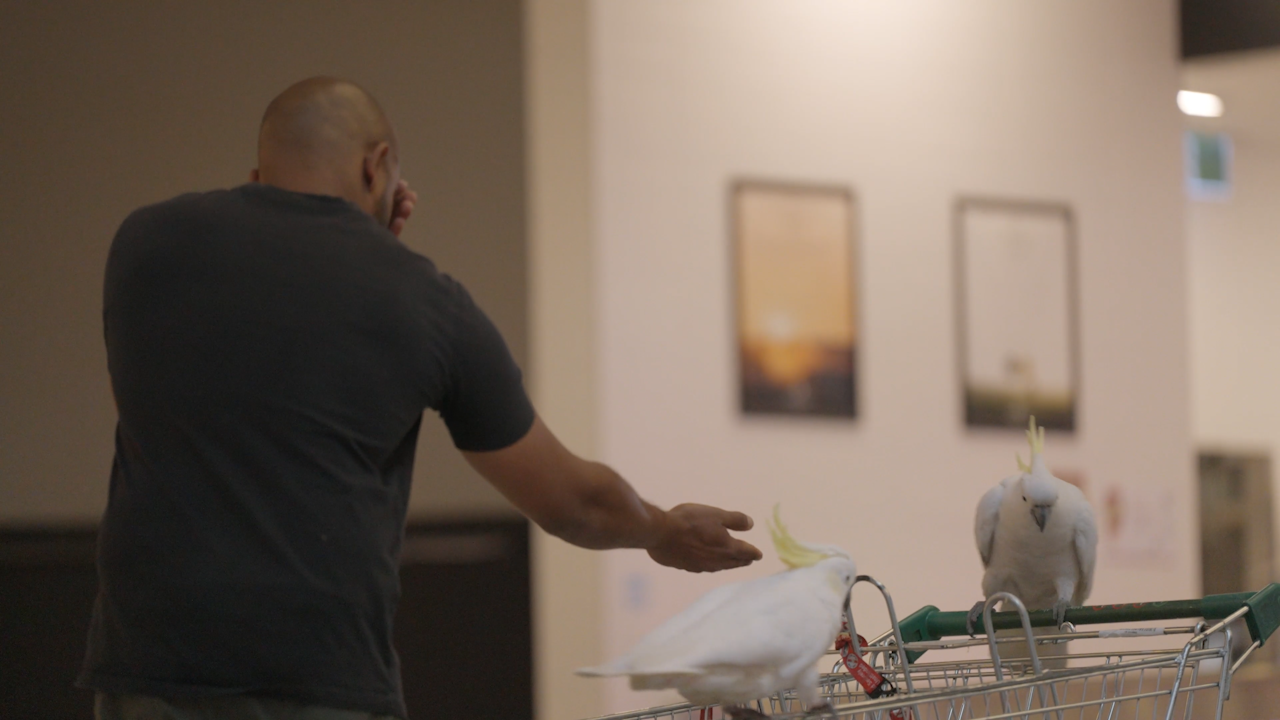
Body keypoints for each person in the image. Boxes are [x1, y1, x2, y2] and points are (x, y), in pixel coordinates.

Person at [79, 77, 762, 720]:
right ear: (378, 169)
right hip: (317, 684)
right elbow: (572, 502)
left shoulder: (144, 244)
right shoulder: (423, 300)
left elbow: (183, 404)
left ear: (260, 174)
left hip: (148, 677)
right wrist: (664, 530)